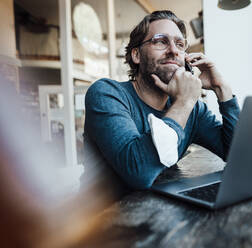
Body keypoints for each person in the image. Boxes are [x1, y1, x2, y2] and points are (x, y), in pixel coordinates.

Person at [83, 10, 240, 190]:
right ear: (136, 55)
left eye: (180, 44)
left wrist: (222, 89)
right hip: (101, 214)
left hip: (159, 209)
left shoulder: (193, 109)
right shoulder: (106, 94)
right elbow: (139, 173)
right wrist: (183, 102)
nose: (173, 50)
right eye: (160, 41)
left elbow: (236, 154)